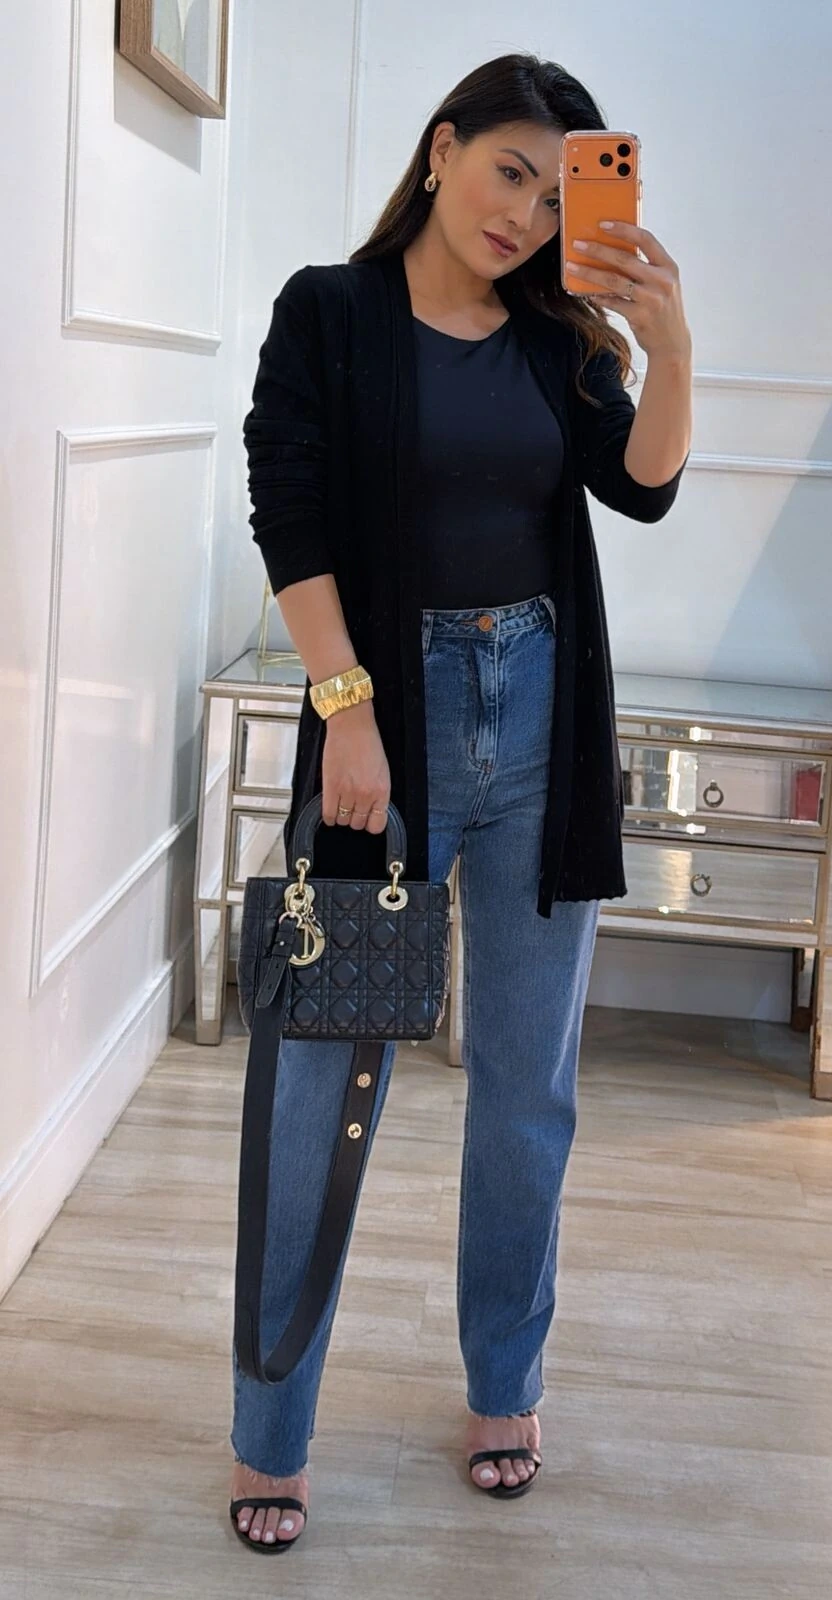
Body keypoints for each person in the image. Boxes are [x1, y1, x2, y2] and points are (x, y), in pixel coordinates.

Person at [228, 51, 692, 1552]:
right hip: (388, 713)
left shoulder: (561, 338)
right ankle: (271, 1427)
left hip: (542, 716)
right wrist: (346, 709)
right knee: (317, 1083)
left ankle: (506, 1381)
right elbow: (288, 510)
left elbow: (643, 487)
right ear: (441, 152)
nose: (526, 216)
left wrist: (668, 342)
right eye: (510, 173)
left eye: (557, 198)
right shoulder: (330, 312)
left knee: (525, 1089)